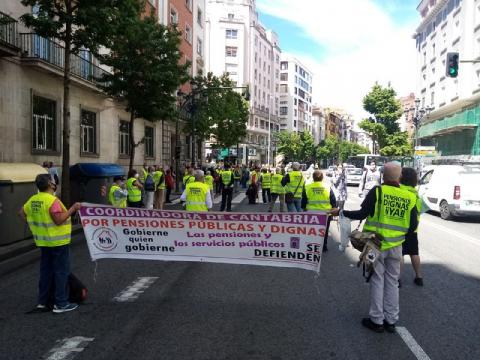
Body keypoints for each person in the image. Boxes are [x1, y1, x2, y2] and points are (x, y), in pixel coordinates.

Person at [330, 162, 418, 333]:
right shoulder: (410, 197)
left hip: (375, 245)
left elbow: (361, 214)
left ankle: (377, 320)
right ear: (399, 177)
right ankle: (391, 320)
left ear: (382, 176)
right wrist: (398, 240)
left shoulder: (378, 192)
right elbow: (413, 225)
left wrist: (341, 212)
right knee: (392, 282)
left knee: (377, 280)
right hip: (396, 247)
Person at [19, 174, 81, 313]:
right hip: (58, 242)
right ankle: (61, 303)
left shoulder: (33, 200)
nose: (55, 184)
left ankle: (42, 302)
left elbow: (21, 212)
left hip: (43, 241)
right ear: (50, 185)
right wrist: (73, 208)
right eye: (53, 182)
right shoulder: (52, 201)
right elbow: (58, 220)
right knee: (61, 271)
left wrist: (32, 225)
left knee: (46, 271)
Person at [399, 167, 423, 286]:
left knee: (400, 254)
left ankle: (397, 278)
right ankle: (419, 277)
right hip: (414, 230)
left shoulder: (400, 191)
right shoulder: (416, 194)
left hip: (401, 228)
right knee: (414, 253)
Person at [302, 170, 336, 252]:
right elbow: (333, 200)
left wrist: (304, 208)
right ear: (322, 178)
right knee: (324, 230)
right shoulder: (327, 187)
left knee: (312, 231)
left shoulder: (307, 186)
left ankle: (311, 246)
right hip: (325, 213)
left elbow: (304, 200)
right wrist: (334, 208)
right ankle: (324, 246)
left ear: (313, 178)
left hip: (311, 212)